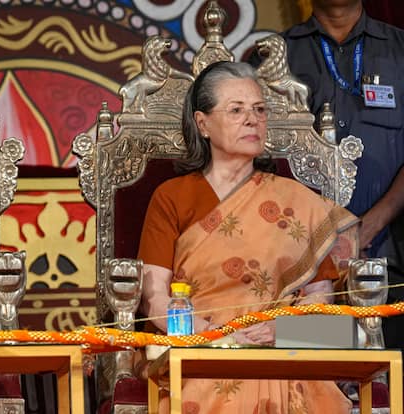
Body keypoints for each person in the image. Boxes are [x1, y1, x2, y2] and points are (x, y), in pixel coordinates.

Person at [137, 61, 358, 413]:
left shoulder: (296, 202)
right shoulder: (172, 197)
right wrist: (220, 338)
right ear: (203, 123)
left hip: (284, 348)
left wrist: (280, 331)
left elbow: (321, 303)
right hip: (202, 350)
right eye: (236, 110)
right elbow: (156, 302)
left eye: (259, 110)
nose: (252, 120)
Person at [280, 0, 404, 383]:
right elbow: (260, 164)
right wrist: (322, 237)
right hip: (303, 267)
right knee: (320, 378)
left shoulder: (399, 49)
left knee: (389, 378)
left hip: (391, 256)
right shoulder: (275, 56)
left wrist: (367, 228)